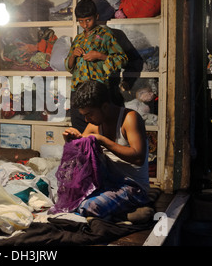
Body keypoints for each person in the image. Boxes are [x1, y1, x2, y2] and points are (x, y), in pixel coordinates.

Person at [62, 80, 152, 222]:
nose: (86, 119)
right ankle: (121, 215)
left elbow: (138, 158)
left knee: (90, 206)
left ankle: (118, 214)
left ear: (104, 106)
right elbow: (79, 157)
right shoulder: (94, 124)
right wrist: (71, 141)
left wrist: (103, 141)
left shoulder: (130, 118)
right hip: (106, 183)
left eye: (89, 114)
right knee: (67, 198)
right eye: (84, 115)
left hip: (133, 187)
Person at [65, 0, 128, 133]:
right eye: (81, 21)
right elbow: (69, 67)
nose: (85, 24)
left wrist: (99, 56)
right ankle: (83, 153)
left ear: (97, 17)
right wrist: (73, 56)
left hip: (97, 91)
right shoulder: (78, 39)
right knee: (79, 130)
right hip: (77, 90)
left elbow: (122, 59)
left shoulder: (106, 35)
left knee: (99, 129)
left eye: (88, 20)